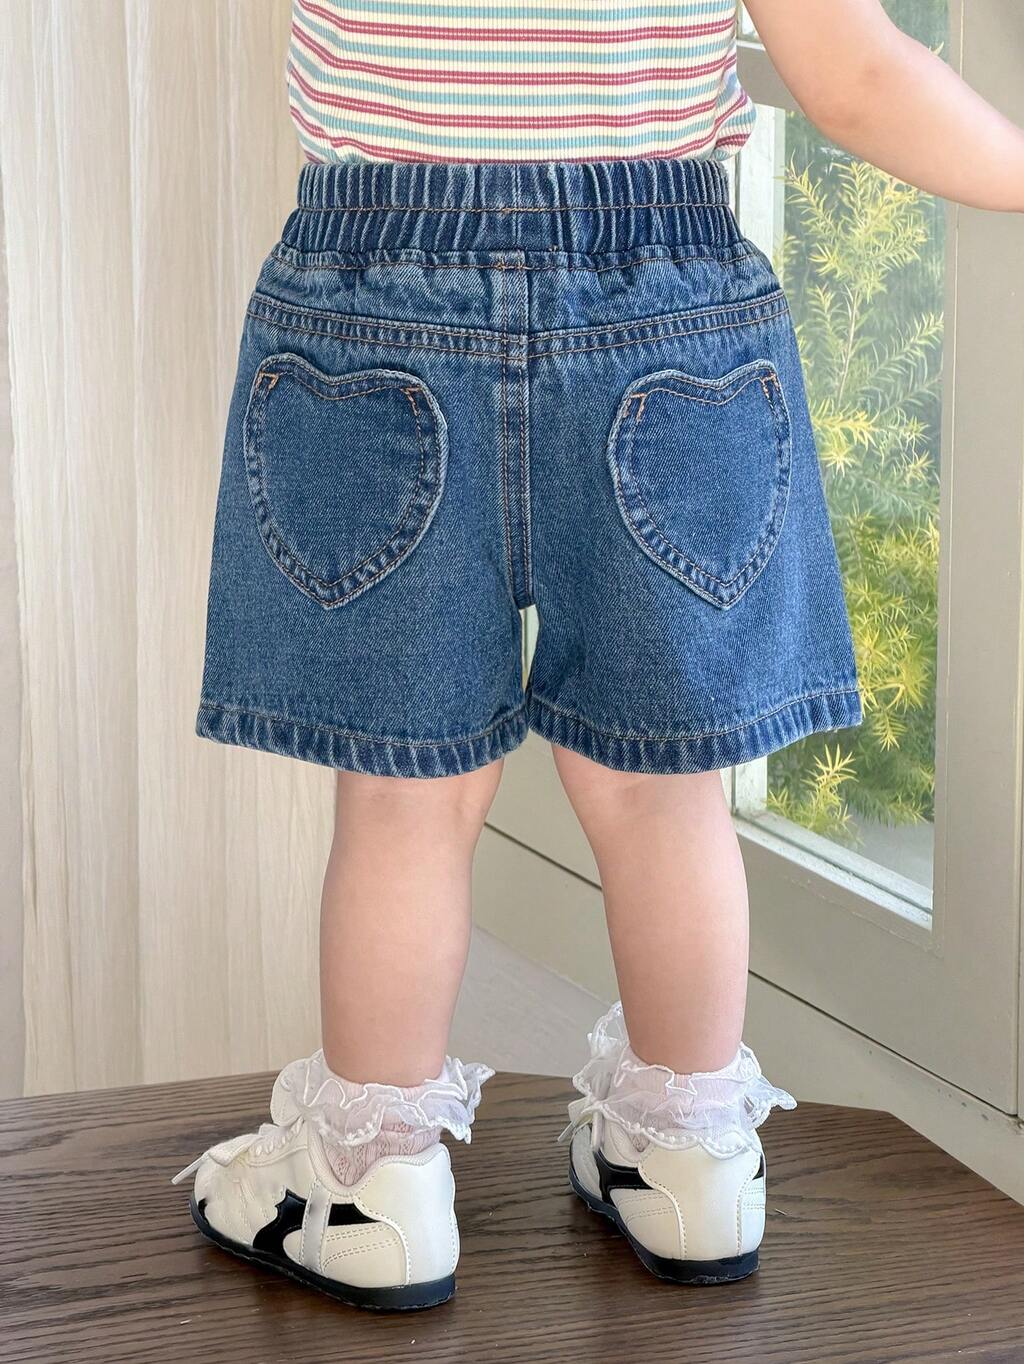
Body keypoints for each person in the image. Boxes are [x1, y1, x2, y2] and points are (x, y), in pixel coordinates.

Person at [171, 0, 1024, 1310]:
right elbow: (854, 78)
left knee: (404, 803)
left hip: (372, 287)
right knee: (664, 797)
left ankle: (368, 1188)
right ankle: (689, 1162)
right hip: (667, 298)